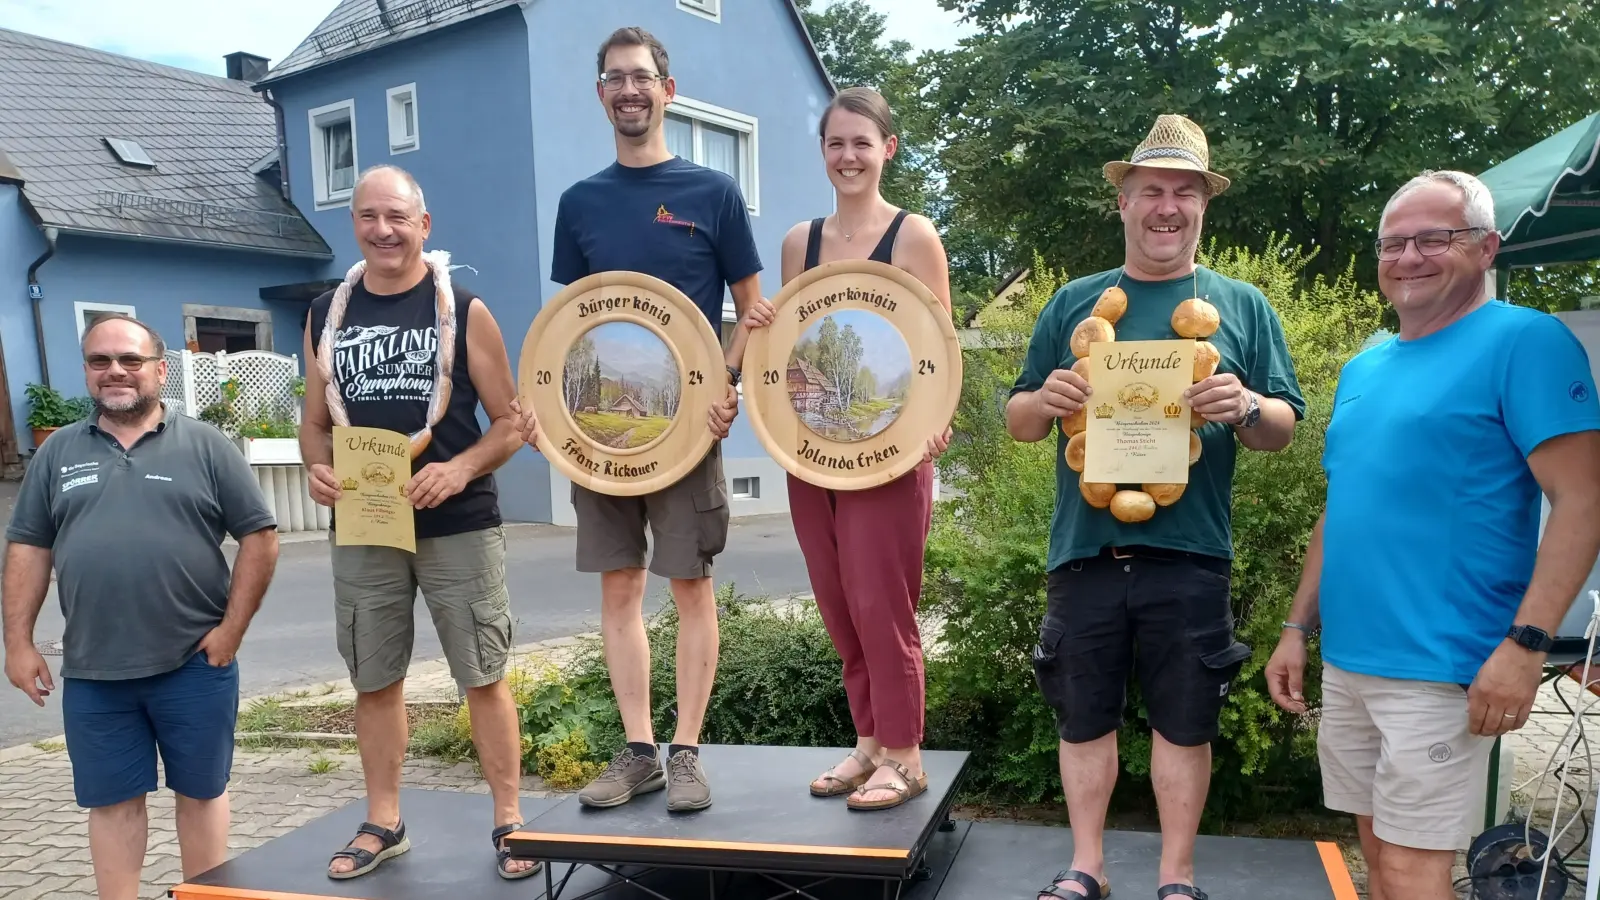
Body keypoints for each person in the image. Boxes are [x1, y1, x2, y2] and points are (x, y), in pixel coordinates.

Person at [1265, 170, 1600, 900]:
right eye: (1394, 242)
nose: (1409, 255)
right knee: (1379, 858)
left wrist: (1528, 644)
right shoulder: (1366, 364)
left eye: (1433, 238)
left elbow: (1583, 500)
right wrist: (1297, 625)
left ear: (1487, 248)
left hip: (1446, 664)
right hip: (1352, 659)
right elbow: (1342, 505)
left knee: (1416, 870)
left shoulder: (1525, 342)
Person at [1007, 114, 1305, 900]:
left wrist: (1244, 405)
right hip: (1086, 550)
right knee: (1082, 717)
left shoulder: (1242, 307)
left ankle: (1176, 878)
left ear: (1204, 205)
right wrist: (1047, 395)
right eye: (1150, 191)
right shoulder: (1074, 301)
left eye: (1183, 191)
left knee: (1185, 722)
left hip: (1191, 549)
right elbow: (1018, 421)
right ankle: (1087, 867)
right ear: (1124, 203)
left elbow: (1285, 427)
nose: (1165, 206)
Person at [512, 25, 760, 814]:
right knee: (619, 588)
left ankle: (687, 751)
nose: (629, 90)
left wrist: (729, 388)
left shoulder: (713, 193)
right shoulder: (579, 203)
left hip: (689, 436)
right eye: (616, 78)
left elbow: (753, 311)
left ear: (667, 90)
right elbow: (571, 326)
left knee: (690, 586)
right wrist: (556, 422)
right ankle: (639, 751)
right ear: (600, 94)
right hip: (603, 439)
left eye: (642, 77)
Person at [300, 165, 536, 880]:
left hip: (457, 520)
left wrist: (460, 468)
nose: (384, 230)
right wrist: (317, 469)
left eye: (397, 216)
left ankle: (509, 820)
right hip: (366, 526)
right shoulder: (324, 315)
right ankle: (384, 820)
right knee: (374, 679)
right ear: (355, 227)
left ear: (423, 226)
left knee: (482, 675)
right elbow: (313, 425)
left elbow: (514, 422)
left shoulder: (464, 309)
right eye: (369, 217)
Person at [2, 314, 279, 900]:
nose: (116, 372)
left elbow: (260, 537)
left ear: (159, 367)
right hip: (95, 670)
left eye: (129, 359)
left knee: (201, 793)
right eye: (100, 361)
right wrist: (18, 643)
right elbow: (29, 548)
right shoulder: (57, 456)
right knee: (110, 803)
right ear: (87, 371)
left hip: (194, 666)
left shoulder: (206, 445)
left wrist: (230, 631)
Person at [749, 86, 952, 811]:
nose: (848, 156)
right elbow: (791, 344)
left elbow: (939, 348)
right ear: (823, 153)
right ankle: (869, 744)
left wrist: (937, 424)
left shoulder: (914, 236)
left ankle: (906, 753)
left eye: (862, 143)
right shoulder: (797, 243)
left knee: (881, 601)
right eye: (836, 143)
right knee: (838, 602)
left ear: (887, 150)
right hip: (813, 455)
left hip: (894, 456)